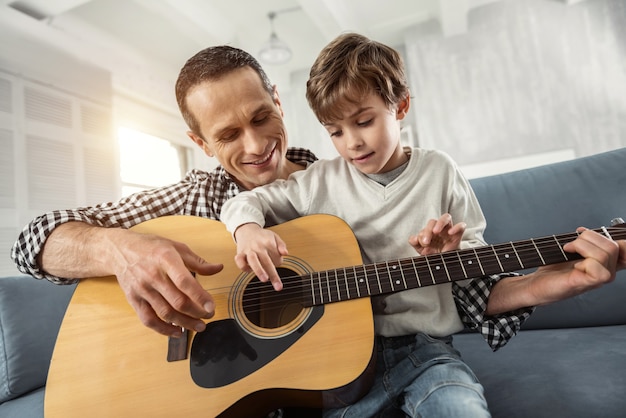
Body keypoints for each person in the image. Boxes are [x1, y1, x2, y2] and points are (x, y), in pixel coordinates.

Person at [220, 33, 625, 417]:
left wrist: (451, 258)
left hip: (427, 352)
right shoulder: (317, 182)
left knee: (461, 409)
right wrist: (248, 230)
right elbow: (245, 201)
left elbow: (476, 282)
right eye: (335, 132)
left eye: (363, 122)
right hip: (338, 360)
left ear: (400, 106)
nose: (352, 143)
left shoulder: (440, 171)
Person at [10, 45, 318, 338]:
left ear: (278, 101)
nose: (256, 145)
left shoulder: (348, 179)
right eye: (228, 135)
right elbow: (31, 241)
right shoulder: (192, 199)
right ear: (202, 144)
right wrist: (118, 251)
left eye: (261, 118)